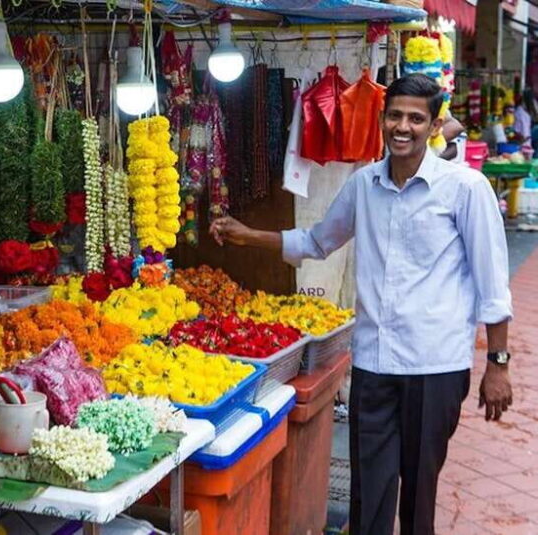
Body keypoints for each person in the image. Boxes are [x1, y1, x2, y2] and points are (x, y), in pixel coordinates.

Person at [209, 74, 513, 535]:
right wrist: (248, 236)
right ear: (382, 119)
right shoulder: (362, 185)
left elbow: (492, 284)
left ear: (433, 126)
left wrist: (498, 363)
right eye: (395, 115)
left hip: (436, 366)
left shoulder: (465, 189)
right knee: (368, 491)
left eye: (416, 118)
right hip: (373, 362)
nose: (403, 127)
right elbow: (317, 240)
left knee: (418, 493)